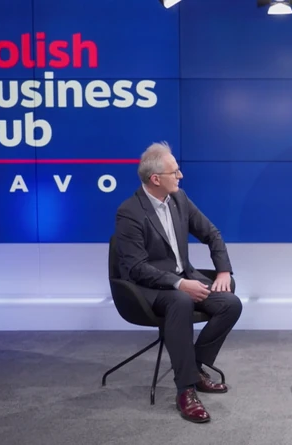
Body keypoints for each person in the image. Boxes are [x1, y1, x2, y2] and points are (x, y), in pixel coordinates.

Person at [114, 142, 242, 423]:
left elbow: (212, 234)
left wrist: (223, 271)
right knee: (181, 301)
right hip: (147, 289)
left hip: (184, 279)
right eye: (175, 172)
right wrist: (179, 284)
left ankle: (193, 366)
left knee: (230, 304)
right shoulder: (129, 212)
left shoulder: (179, 199)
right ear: (155, 179)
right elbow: (136, 268)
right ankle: (185, 390)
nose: (180, 176)